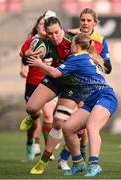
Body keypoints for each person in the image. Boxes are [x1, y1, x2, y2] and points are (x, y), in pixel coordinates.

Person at [27, 32, 118, 177]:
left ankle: (94, 164)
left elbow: (55, 73)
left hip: (105, 97)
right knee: (68, 128)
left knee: (92, 127)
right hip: (91, 100)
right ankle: (78, 163)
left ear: (75, 45)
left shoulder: (76, 58)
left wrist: (40, 64)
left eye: (71, 44)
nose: (70, 46)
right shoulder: (85, 56)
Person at [58, 7, 112, 168]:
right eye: (83, 20)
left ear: (95, 22)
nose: (85, 23)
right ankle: (70, 157)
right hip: (69, 84)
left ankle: (68, 158)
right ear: (79, 21)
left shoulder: (100, 40)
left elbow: (108, 69)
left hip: (87, 89)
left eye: (89, 20)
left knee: (83, 128)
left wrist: (94, 56)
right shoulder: (69, 36)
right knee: (61, 123)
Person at [19, 11, 57, 161]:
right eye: (41, 23)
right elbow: (23, 55)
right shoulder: (33, 41)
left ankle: (48, 148)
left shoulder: (54, 40)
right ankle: (31, 142)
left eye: (46, 23)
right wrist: (24, 64)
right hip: (33, 82)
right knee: (34, 115)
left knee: (48, 114)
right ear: (37, 26)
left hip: (49, 83)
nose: (44, 26)